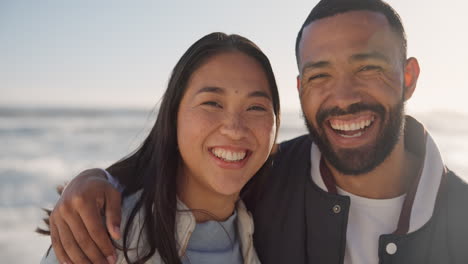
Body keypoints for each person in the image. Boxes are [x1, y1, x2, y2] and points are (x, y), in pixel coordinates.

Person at [43, 0, 468, 263]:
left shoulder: (460, 218)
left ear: (408, 77)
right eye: (320, 76)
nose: (343, 97)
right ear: (301, 90)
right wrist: (97, 181)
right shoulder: (270, 179)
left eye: (369, 68)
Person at [40, 32, 281, 264]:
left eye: (256, 107)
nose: (235, 128)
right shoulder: (104, 235)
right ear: (173, 115)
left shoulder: (271, 225)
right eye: (212, 103)